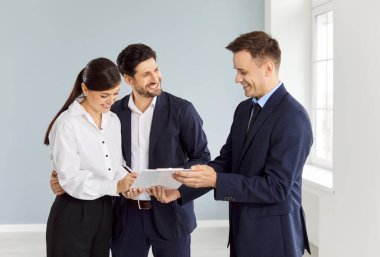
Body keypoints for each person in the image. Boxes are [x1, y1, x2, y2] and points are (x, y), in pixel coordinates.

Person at [51, 44, 211, 257]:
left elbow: (202, 158)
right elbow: (101, 158)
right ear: (129, 80)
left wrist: (178, 190)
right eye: (146, 74)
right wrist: (60, 175)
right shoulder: (112, 113)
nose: (155, 77)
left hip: (171, 215)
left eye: (156, 69)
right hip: (126, 216)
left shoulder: (183, 110)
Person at [173, 31, 313, 257]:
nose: (237, 79)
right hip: (243, 234)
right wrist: (181, 189)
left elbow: (277, 188)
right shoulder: (244, 109)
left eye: (242, 71)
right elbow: (226, 162)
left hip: (275, 240)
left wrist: (217, 180)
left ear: (267, 68)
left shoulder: (293, 117)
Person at [44, 57, 137, 257]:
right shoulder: (67, 123)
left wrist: (128, 181)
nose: (111, 101)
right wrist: (115, 187)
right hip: (73, 211)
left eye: (115, 94)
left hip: (105, 208)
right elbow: (71, 179)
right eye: (104, 95)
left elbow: (115, 165)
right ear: (85, 89)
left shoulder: (113, 120)